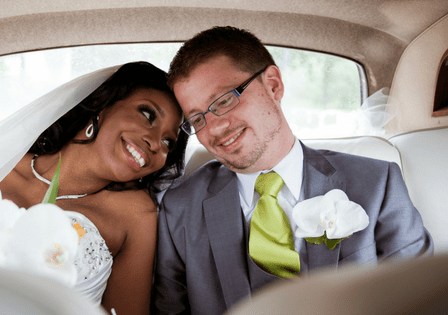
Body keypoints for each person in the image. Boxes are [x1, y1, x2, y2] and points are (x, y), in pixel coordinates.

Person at [152, 26, 433, 315]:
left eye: (224, 100)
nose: (214, 128)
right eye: (197, 119)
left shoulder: (377, 184)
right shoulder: (179, 208)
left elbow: (420, 299)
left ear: (273, 85)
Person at [0, 62, 187, 315]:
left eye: (168, 143)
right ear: (103, 102)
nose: (155, 143)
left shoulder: (136, 213)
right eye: (148, 114)